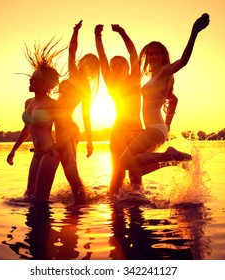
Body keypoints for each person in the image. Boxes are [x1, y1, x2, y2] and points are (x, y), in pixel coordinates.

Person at [119, 13, 210, 174]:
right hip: (156, 128)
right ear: (147, 57)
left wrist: (194, 33)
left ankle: (169, 155)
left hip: (154, 129)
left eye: (157, 53)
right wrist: (167, 125)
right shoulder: (156, 78)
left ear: (163, 56)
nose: (154, 56)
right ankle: (172, 161)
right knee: (137, 169)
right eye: (151, 54)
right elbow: (173, 99)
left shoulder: (164, 72)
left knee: (125, 162)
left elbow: (183, 61)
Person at [7, 39, 64, 202]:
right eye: (31, 78)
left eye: (34, 79)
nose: (30, 81)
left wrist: (58, 151)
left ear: (45, 83)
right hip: (36, 154)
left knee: (40, 199)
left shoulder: (53, 104)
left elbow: (62, 130)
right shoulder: (28, 102)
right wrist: (13, 150)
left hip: (49, 153)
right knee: (29, 195)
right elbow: (26, 129)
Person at [94, 24, 143, 195]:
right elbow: (102, 58)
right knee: (118, 172)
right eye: (113, 65)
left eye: (119, 64)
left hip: (137, 131)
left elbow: (133, 54)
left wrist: (122, 32)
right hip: (119, 132)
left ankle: (136, 206)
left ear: (127, 67)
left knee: (136, 173)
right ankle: (114, 203)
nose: (115, 67)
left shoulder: (135, 80)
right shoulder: (111, 84)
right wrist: (97, 37)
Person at [56, 20, 100, 203]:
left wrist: (89, 140)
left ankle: (80, 204)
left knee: (69, 169)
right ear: (81, 63)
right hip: (65, 127)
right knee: (71, 169)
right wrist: (75, 31)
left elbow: (86, 114)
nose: (86, 66)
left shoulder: (83, 85)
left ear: (93, 70)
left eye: (91, 65)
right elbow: (72, 50)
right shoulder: (73, 75)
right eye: (86, 62)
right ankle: (82, 200)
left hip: (66, 126)